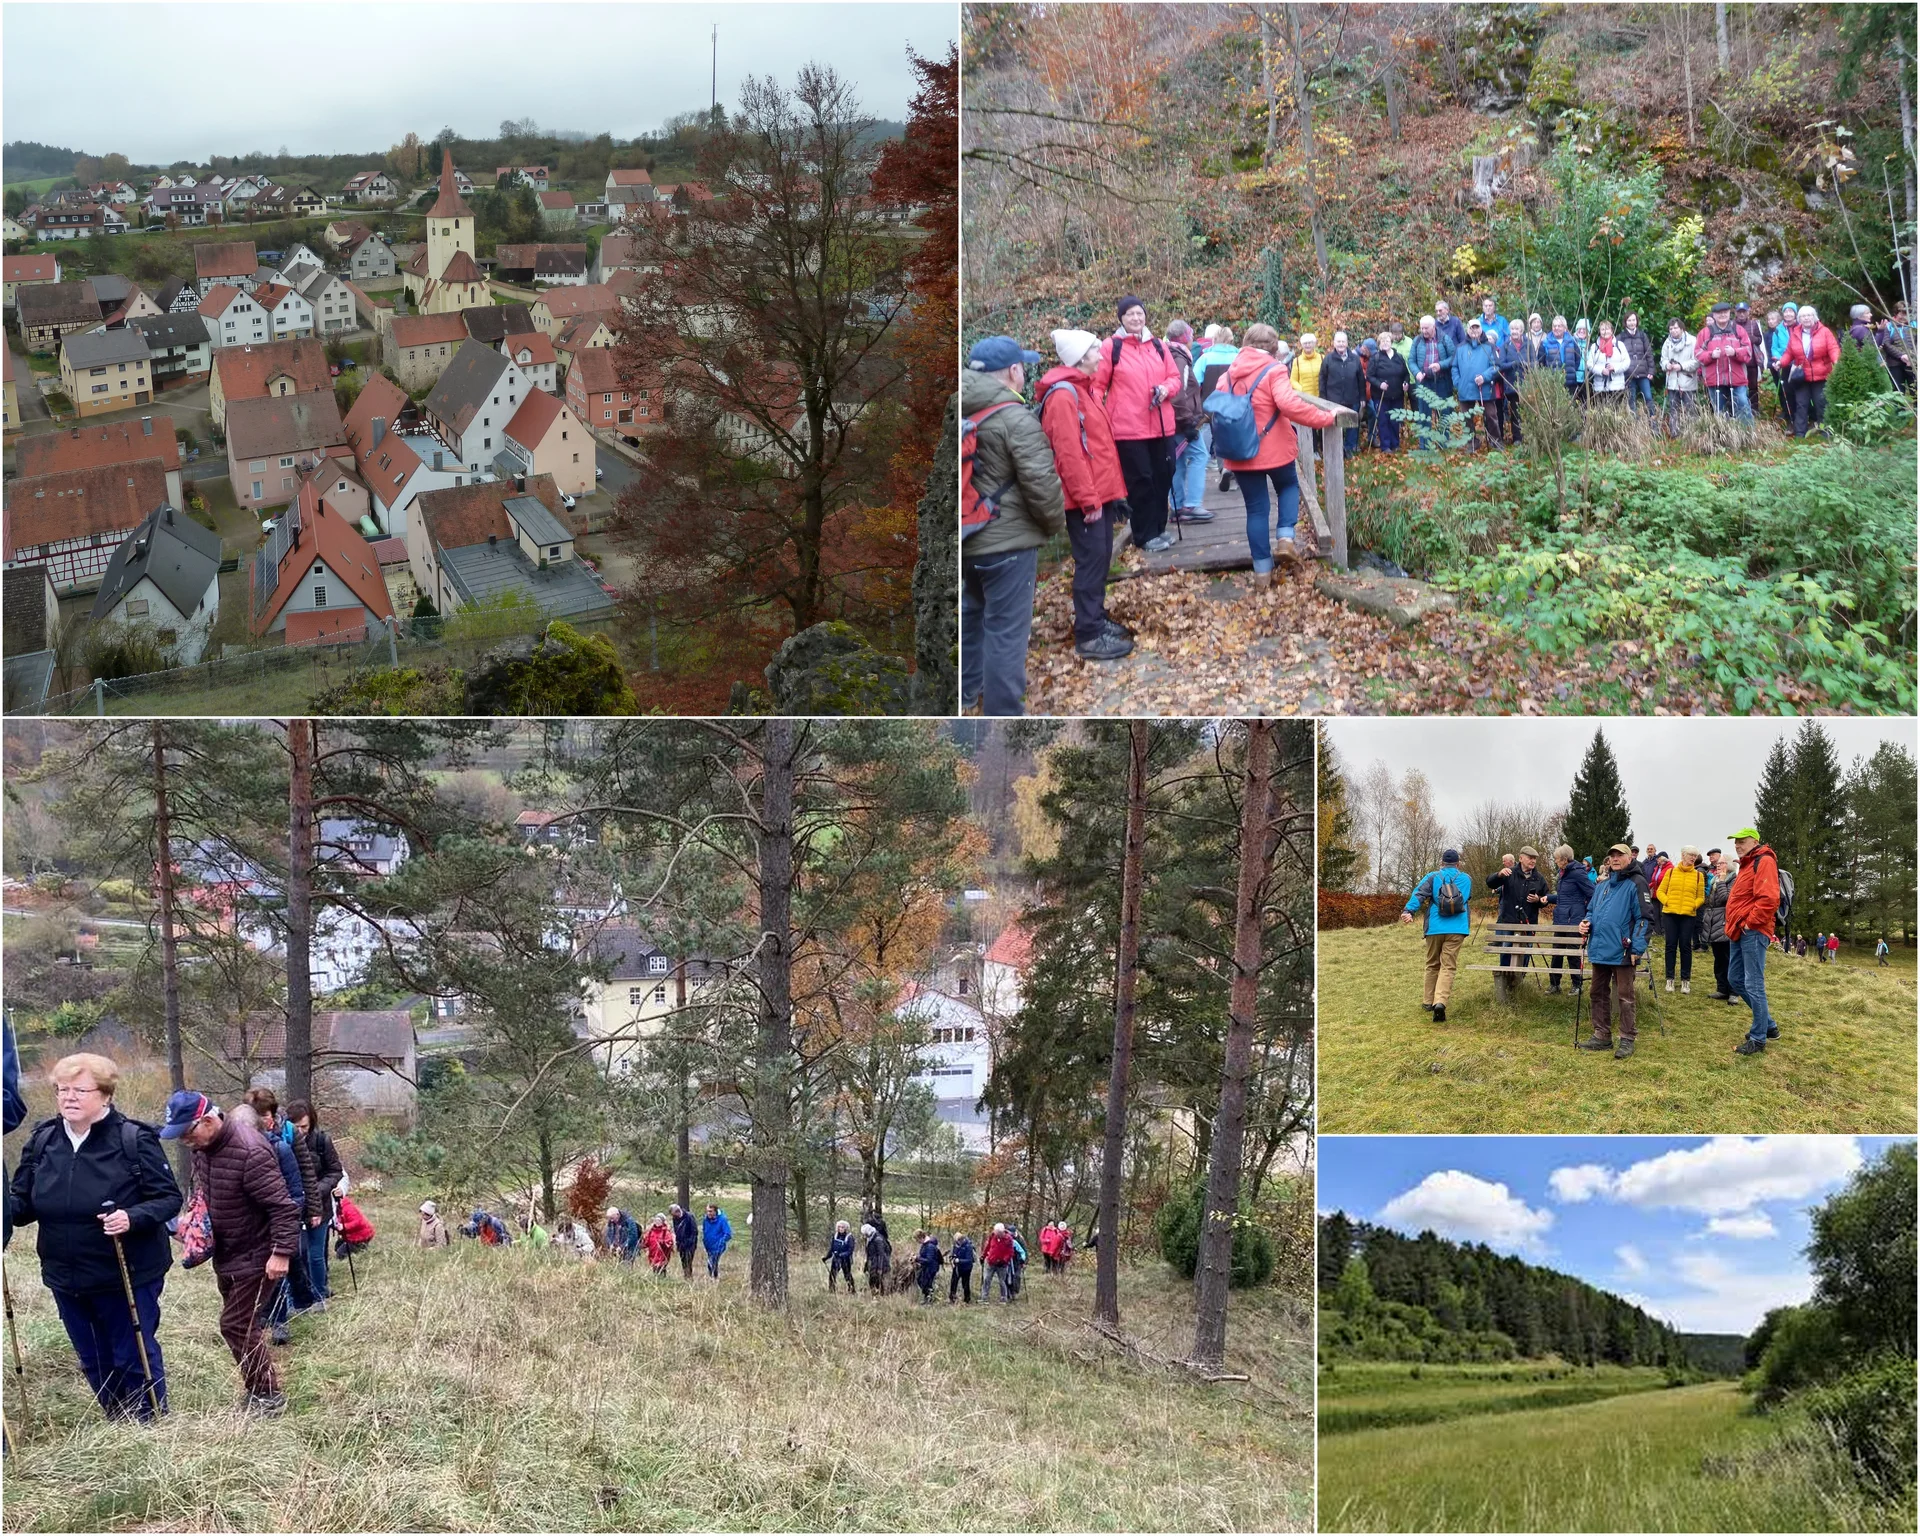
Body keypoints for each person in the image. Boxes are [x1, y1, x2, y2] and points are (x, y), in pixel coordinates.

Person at [7, 1054, 181, 1421]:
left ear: (105, 1095)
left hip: (126, 1272)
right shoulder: (42, 1141)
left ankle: (148, 1424)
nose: (68, 1097)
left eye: (79, 1090)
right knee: (92, 1357)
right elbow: (21, 1206)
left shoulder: (133, 1139)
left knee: (131, 1353)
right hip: (65, 1274)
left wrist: (131, 1217)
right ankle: (117, 1419)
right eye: (62, 1090)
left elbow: (168, 1198)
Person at [162, 1090, 299, 1415]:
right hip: (228, 1254)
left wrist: (281, 1253)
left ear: (207, 1121)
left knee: (235, 1324)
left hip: (257, 1254)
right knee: (245, 1325)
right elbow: (205, 1193)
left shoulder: (250, 1151)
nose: (185, 1142)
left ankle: (267, 1396)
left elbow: (283, 1207)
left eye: (187, 1134)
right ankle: (258, 1389)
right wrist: (193, 1224)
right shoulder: (204, 1148)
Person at [962, 336, 1064, 718]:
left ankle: (966, 694)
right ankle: (1004, 712)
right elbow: (1041, 484)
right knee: (1006, 632)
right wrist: (1051, 527)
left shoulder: (958, 408)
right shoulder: (1014, 417)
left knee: (971, 619)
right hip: (1008, 544)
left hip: (966, 538)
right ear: (1014, 371)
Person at [1038, 328, 1134, 663]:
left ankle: (1096, 618)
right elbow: (1069, 455)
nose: (1101, 352)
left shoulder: (1085, 390)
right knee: (1091, 562)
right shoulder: (1064, 396)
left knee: (1100, 557)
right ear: (1080, 357)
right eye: (1095, 348)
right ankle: (1089, 634)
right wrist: (1088, 500)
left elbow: (1097, 448)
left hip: (1100, 494)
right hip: (1085, 500)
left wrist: (1112, 495)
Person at [1215, 324, 1339, 579]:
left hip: (1240, 451)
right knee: (1288, 486)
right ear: (1273, 348)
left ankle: (1262, 574)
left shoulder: (1228, 375)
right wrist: (1325, 418)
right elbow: (1289, 404)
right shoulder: (1274, 369)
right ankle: (1285, 538)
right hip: (1274, 449)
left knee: (1256, 509)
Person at [1094, 296, 1182, 553]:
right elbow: (1098, 386)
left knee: (1164, 475)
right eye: (1130, 314)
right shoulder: (1112, 347)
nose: (1136, 318)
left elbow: (1174, 377)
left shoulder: (1158, 345)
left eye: (1139, 313)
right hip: (1128, 429)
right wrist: (1097, 417)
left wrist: (1166, 388)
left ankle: (1159, 528)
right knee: (1140, 480)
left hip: (1161, 424)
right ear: (1121, 318)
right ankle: (1144, 534)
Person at [237, 1096, 312, 1342]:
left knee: (278, 1272)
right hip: (248, 1226)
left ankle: (281, 1321)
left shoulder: (281, 1149)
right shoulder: (234, 1151)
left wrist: (291, 1220)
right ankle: (260, 1319)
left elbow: (297, 1189)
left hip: (276, 1221)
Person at [1578, 844, 1652, 1059]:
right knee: (1597, 993)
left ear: (1630, 858)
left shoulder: (1637, 883)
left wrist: (1637, 947)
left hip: (1623, 950)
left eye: (1620, 855)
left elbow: (1645, 918)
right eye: (1612, 855)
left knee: (1625, 997)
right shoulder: (1601, 886)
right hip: (1599, 948)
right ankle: (1602, 1035)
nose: (1616, 859)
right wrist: (1585, 923)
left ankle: (1627, 1038)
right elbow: (1591, 911)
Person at [1725, 827, 1783, 1056]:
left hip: (1753, 931)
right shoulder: (1747, 864)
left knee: (1754, 984)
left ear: (1754, 841)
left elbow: (1769, 898)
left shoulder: (1764, 860)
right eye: (1735, 842)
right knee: (1735, 979)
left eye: (1742, 841)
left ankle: (1758, 1038)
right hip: (1738, 930)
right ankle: (1768, 1025)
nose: (1737, 845)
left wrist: (1751, 923)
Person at [1401, 849, 1474, 1022]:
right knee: (1448, 966)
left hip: (1435, 926)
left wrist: (1408, 911)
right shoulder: (1466, 879)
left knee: (1432, 964)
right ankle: (1440, 1002)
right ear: (1458, 864)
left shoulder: (1433, 877)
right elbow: (1466, 898)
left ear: (1441, 863)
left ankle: (1427, 1001)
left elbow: (1419, 893)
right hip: (1457, 928)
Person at [285, 1100, 342, 1303]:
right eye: (296, 1127)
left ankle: (319, 1294)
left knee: (316, 1254)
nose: (300, 1131)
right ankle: (294, 1296)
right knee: (295, 1254)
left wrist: (316, 1190)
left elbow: (335, 1171)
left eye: (304, 1127)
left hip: (320, 1206)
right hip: (292, 1208)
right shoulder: (282, 1142)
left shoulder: (321, 1141)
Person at [1162, 320, 1215, 529]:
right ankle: (1191, 506)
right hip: (1182, 422)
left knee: (1179, 461)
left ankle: (1178, 506)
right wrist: (1187, 424)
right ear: (1185, 338)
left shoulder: (1172, 355)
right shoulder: (1179, 359)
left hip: (1174, 423)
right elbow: (1178, 395)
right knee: (1200, 455)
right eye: (1190, 334)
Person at [1486, 845, 1551, 969]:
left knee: (1526, 950)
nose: (1533, 861)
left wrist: (1538, 900)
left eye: (1535, 859)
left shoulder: (1539, 878)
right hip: (1509, 920)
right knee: (1506, 949)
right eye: (1530, 858)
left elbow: (1545, 898)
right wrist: (1498, 874)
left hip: (1529, 921)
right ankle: (1505, 978)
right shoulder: (1509, 873)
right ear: (1521, 858)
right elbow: (1490, 883)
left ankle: (1520, 977)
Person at [1781, 303, 1840, 437]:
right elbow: (1789, 353)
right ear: (1799, 319)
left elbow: (1833, 348)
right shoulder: (1796, 333)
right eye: (1803, 316)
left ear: (1815, 317)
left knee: (1821, 404)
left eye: (1809, 315)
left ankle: (1826, 432)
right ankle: (1800, 434)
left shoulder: (1824, 332)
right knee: (1801, 404)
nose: (1806, 318)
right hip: (1802, 376)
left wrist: (1836, 361)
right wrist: (1780, 362)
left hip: (1821, 375)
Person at [1657, 846, 1708, 993]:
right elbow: (1660, 891)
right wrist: (1667, 901)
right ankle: (1670, 979)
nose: (1693, 858)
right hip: (1670, 914)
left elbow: (1701, 897)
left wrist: (1694, 905)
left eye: (1695, 855)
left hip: (1688, 915)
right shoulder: (1671, 872)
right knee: (1670, 946)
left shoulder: (1698, 875)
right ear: (1683, 855)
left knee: (1686, 947)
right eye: (1690, 855)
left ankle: (1685, 980)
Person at [1547, 845, 1594, 995]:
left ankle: (1577, 985)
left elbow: (1592, 893)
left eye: (1556, 858)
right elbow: (1563, 897)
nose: (1555, 861)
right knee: (1557, 952)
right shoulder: (1562, 874)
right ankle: (1555, 984)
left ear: (1564, 859)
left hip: (1574, 919)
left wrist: (1586, 913)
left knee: (1572, 953)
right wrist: (1548, 898)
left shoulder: (1577, 873)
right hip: (1560, 918)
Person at [1697, 302, 1754, 421]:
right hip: (1715, 379)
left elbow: (1748, 352)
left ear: (1729, 313)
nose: (1722, 315)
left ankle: (1748, 436)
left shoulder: (1739, 330)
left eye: (1725, 312)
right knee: (1720, 411)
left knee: (1743, 405)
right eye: (1719, 313)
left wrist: (1735, 353)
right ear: (1714, 315)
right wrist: (1711, 355)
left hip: (1737, 378)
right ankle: (1723, 436)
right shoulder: (1705, 333)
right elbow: (1698, 354)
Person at [1450, 319, 1499, 450]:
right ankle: (1471, 442)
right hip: (1465, 389)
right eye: (1472, 328)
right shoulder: (1460, 347)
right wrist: (1458, 383)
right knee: (1467, 418)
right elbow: (1454, 367)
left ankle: (1495, 441)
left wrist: (1484, 376)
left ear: (1481, 329)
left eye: (1477, 328)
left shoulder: (1489, 346)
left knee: (1491, 415)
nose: (1474, 331)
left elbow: (1496, 366)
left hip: (1485, 388)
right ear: (1467, 330)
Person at [1406, 315, 1453, 445]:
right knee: (1423, 414)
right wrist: (1417, 373)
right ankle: (1424, 445)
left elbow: (1453, 357)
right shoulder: (1417, 341)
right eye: (1422, 328)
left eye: (1426, 328)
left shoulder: (1444, 339)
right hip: (1424, 382)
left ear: (1433, 327)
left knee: (1443, 413)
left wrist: (1440, 365)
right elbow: (1411, 360)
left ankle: (1443, 442)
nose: (1424, 331)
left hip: (1442, 381)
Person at [1319, 331, 1366, 457]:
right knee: (1335, 425)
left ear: (1347, 343)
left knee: (1352, 425)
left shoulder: (1355, 359)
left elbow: (1361, 379)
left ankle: (1350, 448)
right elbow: (1322, 379)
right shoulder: (1328, 359)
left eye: (1343, 341)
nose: (1341, 344)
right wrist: (1323, 399)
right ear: (1334, 343)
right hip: (1333, 400)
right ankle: (1336, 449)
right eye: (1338, 341)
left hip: (1353, 397)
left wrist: (1362, 397)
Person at [1366, 330, 1410, 452]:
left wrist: (1405, 383)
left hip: (1397, 395)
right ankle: (1385, 446)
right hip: (1381, 395)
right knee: (1383, 420)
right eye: (1382, 341)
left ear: (1391, 342)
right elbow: (1369, 376)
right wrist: (1380, 384)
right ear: (1379, 344)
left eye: (1387, 341)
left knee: (1395, 420)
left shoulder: (1399, 357)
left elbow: (1405, 374)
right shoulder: (1376, 358)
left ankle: (1395, 444)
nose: (1385, 343)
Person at [1703, 851, 1738, 1002]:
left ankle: (1733, 992)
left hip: (1726, 922)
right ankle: (1721, 988)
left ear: (1729, 865)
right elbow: (1710, 901)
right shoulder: (1714, 880)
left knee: (1729, 958)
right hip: (1713, 922)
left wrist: (1722, 881)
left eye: (1722, 863)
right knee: (1718, 959)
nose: (1718, 865)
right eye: (1718, 864)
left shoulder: (1733, 880)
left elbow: (1727, 899)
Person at [1492, 318, 1527, 446]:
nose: (1514, 331)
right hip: (1512, 385)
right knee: (1515, 413)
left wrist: (1525, 364)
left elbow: (1535, 362)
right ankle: (1517, 438)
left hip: (1527, 384)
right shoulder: (1505, 346)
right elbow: (1500, 365)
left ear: (1522, 331)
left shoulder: (1528, 345)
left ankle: (1529, 437)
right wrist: (1513, 364)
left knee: (1527, 413)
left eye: (1517, 329)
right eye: (1512, 329)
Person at [1661, 318, 1699, 430]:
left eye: (1676, 328)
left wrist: (1681, 366)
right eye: (1671, 328)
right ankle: (1674, 433)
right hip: (1672, 382)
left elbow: (1697, 361)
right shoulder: (1667, 343)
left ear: (1682, 328)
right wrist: (1666, 365)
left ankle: (1692, 432)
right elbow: (1663, 360)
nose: (1673, 330)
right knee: (1673, 409)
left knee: (1691, 409)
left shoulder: (1692, 341)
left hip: (1688, 382)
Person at [1585, 320, 1630, 404]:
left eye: (1607, 329)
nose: (1605, 331)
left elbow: (1627, 362)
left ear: (1612, 330)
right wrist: (1601, 370)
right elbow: (1589, 364)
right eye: (1602, 329)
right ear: (1599, 332)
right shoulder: (1595, 347)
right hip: (1599, 387)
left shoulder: (1619, 345)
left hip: (1617, 387)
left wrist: (1615, 368)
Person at [1620, 312, 1656, 416]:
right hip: (1629, 375)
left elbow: (1649, 354)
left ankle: (1653, 425)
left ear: (1637, 321)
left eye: (1633, 320)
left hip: (1643, 374)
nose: (1632, 323)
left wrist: (1651, 371)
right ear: (1625, 322)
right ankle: (1634, 427)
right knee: (1631, 401)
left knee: (1648, 398)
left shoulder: (1642, 336)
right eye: (1629, 320)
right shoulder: (1621, 337)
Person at [1539, 315, 1582, 400]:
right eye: (1554, 326)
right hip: (1553, 384)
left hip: (1570, 382)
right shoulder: (1545, 343)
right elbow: (1541, 363)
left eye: (1559, 326)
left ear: (1564, 328)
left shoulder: (1572, 341)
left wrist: (1571, 370)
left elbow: (1578, 358)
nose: (1556, 328)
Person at [982, 1221, 1016, 1302]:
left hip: (1002, 1264)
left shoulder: (1008, 1239)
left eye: (997, 1232)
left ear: (1002, 1232)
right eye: (995, 1232)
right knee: (987, 1279)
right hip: (991, 1262)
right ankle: (984, 1297)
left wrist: (1004, 1260)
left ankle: (1003, 1298)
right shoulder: (992, 1236)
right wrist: (983, 1256)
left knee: (1002, 1281)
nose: (995, 1233)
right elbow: (988, 1246)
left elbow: (1010, 1252)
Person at [823, 1219, 857, 1294]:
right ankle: (832, 1290)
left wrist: (842, 1255)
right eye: (839, 1227)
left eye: (842, 1227)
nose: (841, 1229)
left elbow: (850, 1250)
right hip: (836, 1259)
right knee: (832, 1275)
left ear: (846, 1228)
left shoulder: (849, 1237)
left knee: (847, 1275)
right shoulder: (835, 1236)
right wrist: (827, 1257)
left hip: (846, 1260)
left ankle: (852, 1290)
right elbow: (832, 1248)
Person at [700, 1203, 732, 1280]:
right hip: (708, 1246)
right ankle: (713, 1278)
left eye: (710, 1211)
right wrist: (704, 1240)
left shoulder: (722, 1220)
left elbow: (728, 1234)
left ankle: (714, 1278)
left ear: (715, 1211)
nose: (708, 1213)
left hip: (718, 1246)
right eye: (707, 1211)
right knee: (712, 1263)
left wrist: (720, 1242)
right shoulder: (705, 1220)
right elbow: (704, 1231)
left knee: (711, 1262)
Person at [911, 1230, 943, 1305]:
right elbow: (923, 1256)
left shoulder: (930, 1246)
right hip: (926, 1267)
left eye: (917, 1239)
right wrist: (916, 1257)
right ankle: (927, 1299)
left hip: (931, 1268)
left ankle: (929, 1300)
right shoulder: (924, 1245)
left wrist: (917, 1259)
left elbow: (929, 1260)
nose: (917, 1241)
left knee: (927, 1284)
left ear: (921, 1237)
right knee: (921, 1281)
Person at [862, 1221, 892, 1294]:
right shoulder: (871, 1238)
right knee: (873, 1280)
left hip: (880, 1264)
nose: (864, 1236)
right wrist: (866, 1265)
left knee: (879, 1281)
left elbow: (880, 1254)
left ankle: (880, 1296)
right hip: (873, 1263)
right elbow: (869, 1254)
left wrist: (880, 1268)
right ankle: (876, 1295)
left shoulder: (878, 1239)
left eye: (864, 1234)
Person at [669, 1202, 697, 1279]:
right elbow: (676, 1230)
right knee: (683, 1261)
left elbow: (694, 1231)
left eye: (674, 1214)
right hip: (681, 1244)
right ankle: (686, 1276)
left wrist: (690, 1242)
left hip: (690, 1244)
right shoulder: (675, 1218)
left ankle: (689, 1277)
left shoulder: (689, 1217)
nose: (674, 1216)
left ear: (678, 1211)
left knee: (688, 1261)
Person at [948, 1230, 976, 1304]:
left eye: (959, 1241)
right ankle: (952, 1298)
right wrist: (952, 1258)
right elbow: (953, 1254)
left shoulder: (968, 1246)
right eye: (957, 1241)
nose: (958, 1243)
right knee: (953, 1283)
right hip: (956, 1267)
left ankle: (967, 1299)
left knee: (965, 1284)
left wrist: (959, 1260)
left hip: (966, 1268)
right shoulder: (955, 1245)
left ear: (962, 1239)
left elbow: (969, 1260)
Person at [1571, 319, 1592, 403]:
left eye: (1585, 329)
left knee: (1585, 405)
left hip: (1587, 381)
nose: (1582, 331)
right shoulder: (1571, 343)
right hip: (1574, 380)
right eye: (1580, 329)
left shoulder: (1591, 346)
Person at [1007, 1225, 1029, 1299]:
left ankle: (1015, 1291)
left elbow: (1024, 1251)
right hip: (1009, 1261)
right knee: (1009, 1276)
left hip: (1018, 1260)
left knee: (1017, 1276)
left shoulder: (1020, 1239)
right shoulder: (1006, 1237)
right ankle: (1009, 1292)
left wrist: (1024, 1261)